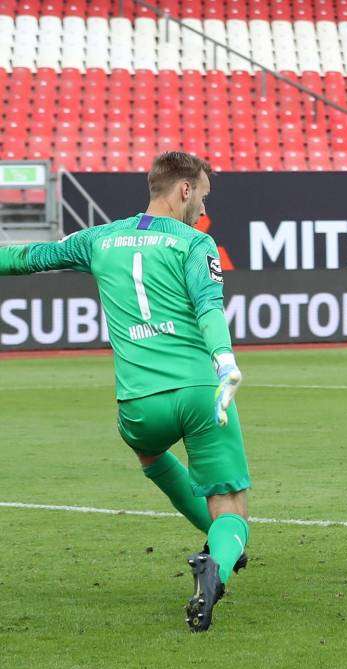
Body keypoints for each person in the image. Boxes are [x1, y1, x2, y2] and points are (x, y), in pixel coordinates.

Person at [0, 152, 252, 630]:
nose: (202, 207)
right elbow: (209, 308)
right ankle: (218, 557)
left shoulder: (99, 238)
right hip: (199, 392)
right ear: (183, 190)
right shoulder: (194, 243)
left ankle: (221, 549)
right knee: (232, 507)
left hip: (137, 404)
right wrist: (225, 361)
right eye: (202, 195)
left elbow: (26, 258)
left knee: (152, 457)